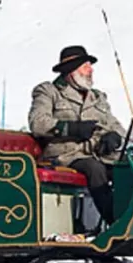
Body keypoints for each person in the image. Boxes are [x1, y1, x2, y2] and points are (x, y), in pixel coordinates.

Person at [28, 45, 126, 225]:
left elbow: (116, 125)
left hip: (97, 153)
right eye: (86, 66)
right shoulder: (49, 92)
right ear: (72, 70)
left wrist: (115, 137)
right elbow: (37, 123)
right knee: (95, 169)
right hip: (64, 155)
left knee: (127, 167)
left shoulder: (97, 97)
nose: (91, 70)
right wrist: (72, 129)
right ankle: (116, 223)